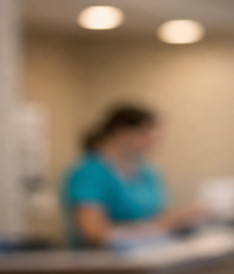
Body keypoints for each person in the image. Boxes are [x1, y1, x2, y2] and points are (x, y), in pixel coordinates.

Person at [63, 104, 201, 248]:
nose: (153, 140)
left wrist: (180, 219)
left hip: (152, 251)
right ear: (121, 132)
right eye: (146, 133)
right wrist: (156, 227)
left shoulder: (148, 173)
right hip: (105, 258)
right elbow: (95, 234)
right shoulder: (88, 174)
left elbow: (159, 217)